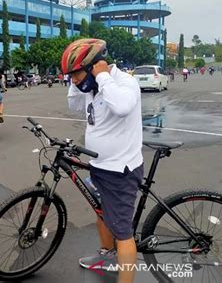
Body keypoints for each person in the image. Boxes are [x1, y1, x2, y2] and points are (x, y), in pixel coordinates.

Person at [62, 39, 144, 283]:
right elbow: (73, 103)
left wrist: (103, 76)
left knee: (122, 233)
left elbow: (121, 107)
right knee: (101, 211)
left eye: (76, 74)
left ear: (93, 66)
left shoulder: (124, 82)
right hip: (100, 166)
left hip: (120, 171)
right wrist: (81, 83)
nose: (74, 80)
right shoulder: (91, 88)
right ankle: (107, 256)